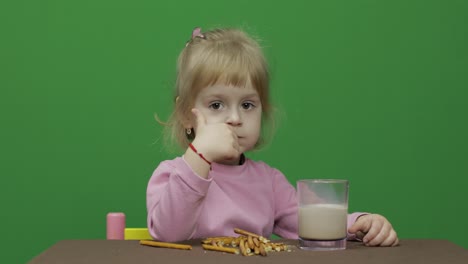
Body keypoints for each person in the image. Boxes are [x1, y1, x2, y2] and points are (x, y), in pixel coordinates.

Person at [146, 27, 399, 247]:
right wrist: (198, 155)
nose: (235, 118)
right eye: (216, 105)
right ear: (186, 116)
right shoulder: (171, 175)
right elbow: (169, 234)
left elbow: (309, 222)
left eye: (247, 105)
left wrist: (359, 224)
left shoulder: (269, 181)